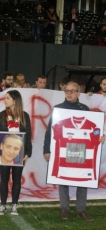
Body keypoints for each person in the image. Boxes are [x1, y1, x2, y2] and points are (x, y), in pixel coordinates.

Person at [43, 81, 105, 221]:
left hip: (81, 151)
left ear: (78, 93)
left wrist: (100, 137)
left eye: (72, 91)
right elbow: (49, 132)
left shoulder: (85, 109)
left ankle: (80, 210)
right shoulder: (58, 109)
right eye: (67, 91)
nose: (69, 94)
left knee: (83, 181)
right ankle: (64, 209)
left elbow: (93, 131)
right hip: (64, 151)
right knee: (62, 179)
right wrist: (47, 150)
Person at [0, 90, 32, 215]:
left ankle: (14, 205)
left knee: (16, 180)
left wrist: (27, 153)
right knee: (4, 180)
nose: (5, 100)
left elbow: (28, 135)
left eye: (7, 98)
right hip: (3, 154)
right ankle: (3, 205)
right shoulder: (1, 115)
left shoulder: (24, 116)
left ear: (15, 100)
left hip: (19, 154)